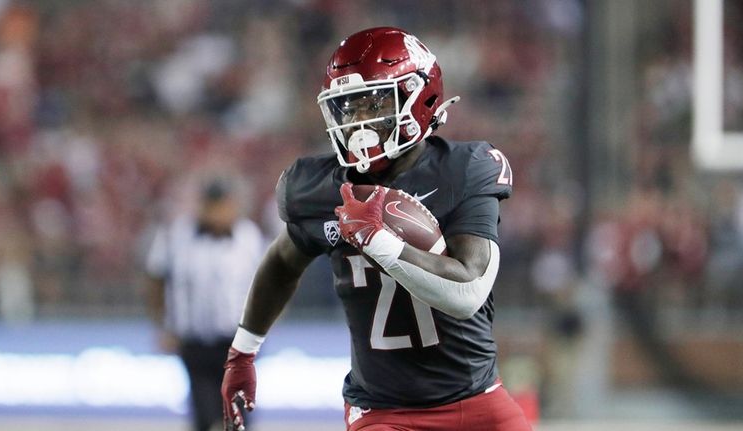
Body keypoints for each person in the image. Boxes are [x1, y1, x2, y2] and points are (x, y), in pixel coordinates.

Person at [221, 27, 531, 431]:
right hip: (384, 412)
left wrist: (378, 240)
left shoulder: (465, 170)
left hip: (477, 398)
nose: (360, 122)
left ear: (422, 98)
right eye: (349, 109)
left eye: (374, 104)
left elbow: (467, 293)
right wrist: (243, 353)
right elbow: (283, 260)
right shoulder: (317, 188)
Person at [146, 177, 263, 431]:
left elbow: (271, 284)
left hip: (238, 343)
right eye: (213, 206)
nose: (218, 213)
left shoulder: (249, 236)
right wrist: (163, 325)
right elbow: (155, 279)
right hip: (194, 341)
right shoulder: (176, 235)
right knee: (205, 415)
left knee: (238, 416)